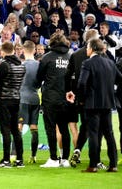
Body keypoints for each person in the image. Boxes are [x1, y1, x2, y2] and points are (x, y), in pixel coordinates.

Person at [72, 38, 122, 173]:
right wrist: (111, 93)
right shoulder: (110, 63)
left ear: (92, 48)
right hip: (107, 103)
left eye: (87, 47)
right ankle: (113, 165)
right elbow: (120, 79)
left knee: (93, 133)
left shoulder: (87, 63)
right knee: (109, 134)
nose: (86, 49)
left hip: (92, 104)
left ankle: (93, 165)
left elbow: (82, 83)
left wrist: (81, 100)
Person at [36, 32, 72, 168]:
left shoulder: (47, 57)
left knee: (50, 128)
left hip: (50, 98)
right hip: (66, 98)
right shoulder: (70, 56)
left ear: (51, 42)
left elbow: (39, 77)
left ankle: (53, 158)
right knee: (64, 128)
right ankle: (65, 159)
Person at [64, 29, 99, 168]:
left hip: (76, 97)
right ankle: (95, 159)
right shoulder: (101, 57)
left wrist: (69, 90)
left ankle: (77, 150)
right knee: (93, 128)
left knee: (76, 126)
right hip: (94, 97)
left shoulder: (76, 54)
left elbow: (67, 75)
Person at [0, 42, 26, 168]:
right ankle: (20, 159)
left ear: (3, 51)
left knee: (5, 130)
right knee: (15, 130)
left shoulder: (5, 65)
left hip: (5, 99)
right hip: (16, 99)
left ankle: (6, 159)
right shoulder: (21, 64)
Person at [18, 40, 41, 164]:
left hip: (23, 98)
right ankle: (33, 156)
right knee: (34, 127)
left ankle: (17, 155)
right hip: (35, 98)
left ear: (23, 50)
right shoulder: (39, 65)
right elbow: (39, 83)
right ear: (35, 50)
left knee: (19, 127)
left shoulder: (21, 65)